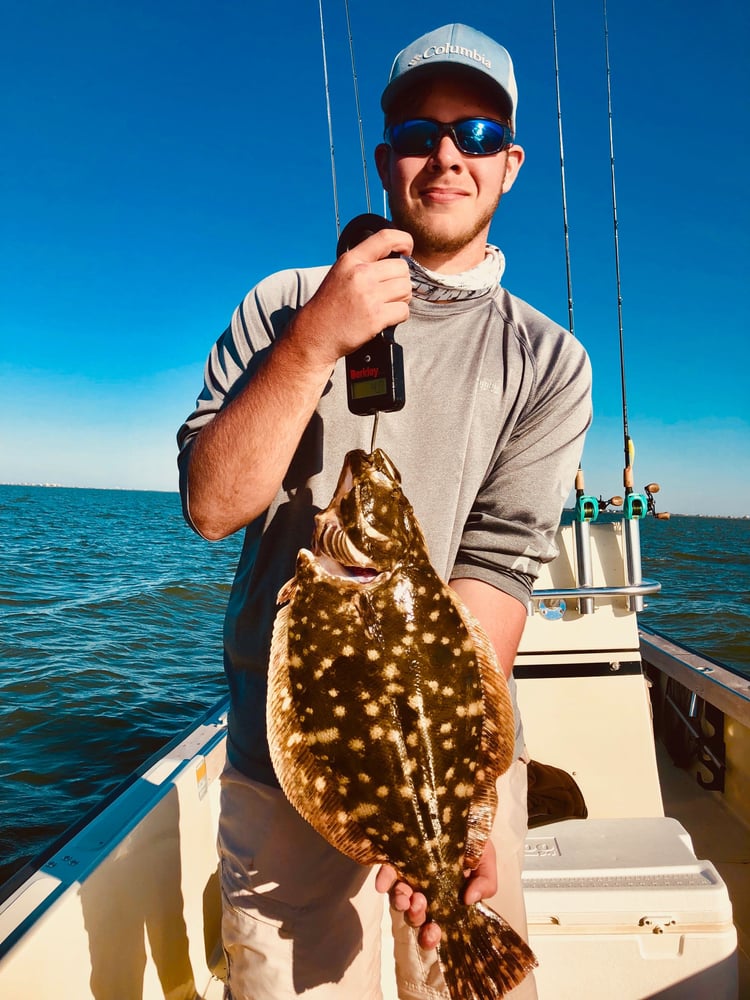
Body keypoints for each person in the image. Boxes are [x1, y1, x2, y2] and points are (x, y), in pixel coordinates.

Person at [177, 22, 591, 1000]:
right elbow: (211, 505)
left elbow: (491, 586)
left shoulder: (549, 361)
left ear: (510, 163)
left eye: (479, 133)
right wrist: (317, 338)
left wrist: (454, 815)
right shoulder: (283, 304)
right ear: (386, 157)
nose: (449, 153)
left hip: (448, 764)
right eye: (421, 130)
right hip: (282, 760)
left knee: (469, 977)